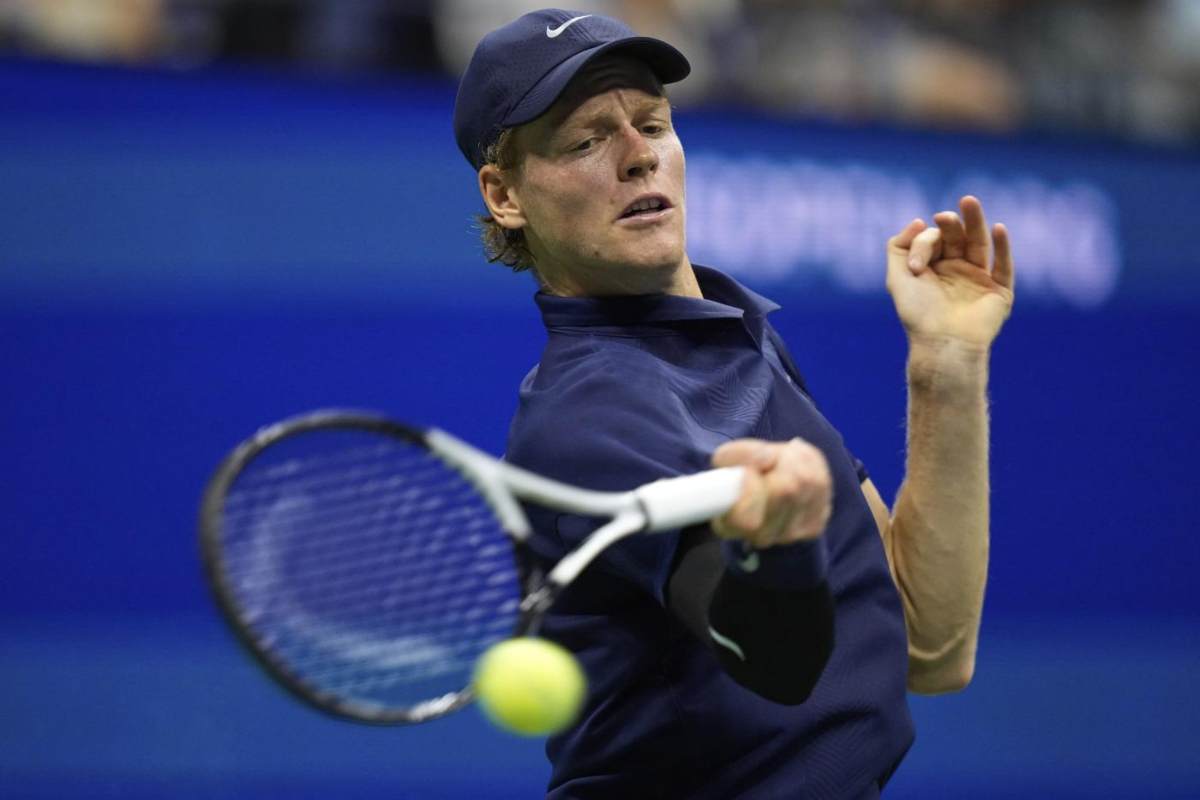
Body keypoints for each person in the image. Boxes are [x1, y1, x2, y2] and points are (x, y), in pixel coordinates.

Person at [452, 9, 1014, 799]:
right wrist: (779, 553)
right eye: (585, 142)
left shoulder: (729, 331)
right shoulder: (587, 415)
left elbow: (927, 643)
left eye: (653, 124)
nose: (640, 155)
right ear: (504, 195)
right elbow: (777, 664)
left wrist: (947, 364)